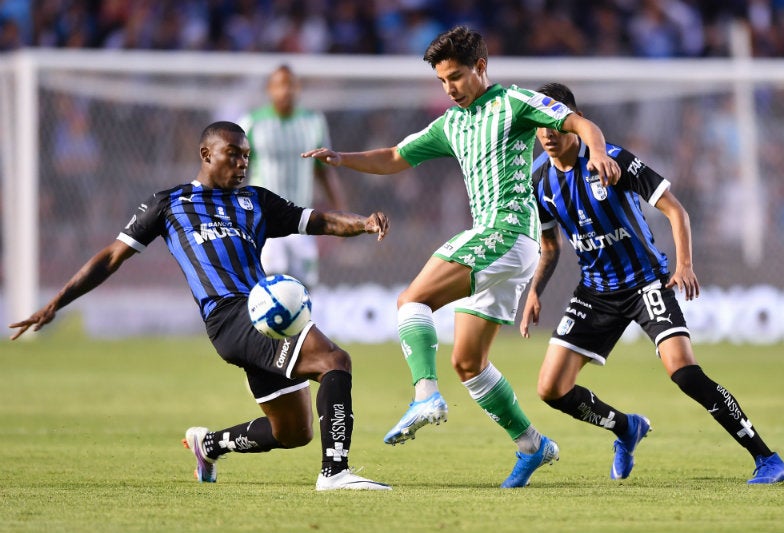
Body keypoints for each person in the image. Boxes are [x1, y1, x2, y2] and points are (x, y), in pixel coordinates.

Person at [303, 26, 621, 488]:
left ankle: (425, 396)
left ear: (481, 67)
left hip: (505, 232)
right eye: (442, 81)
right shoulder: (451, 124)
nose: (449, 88)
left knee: (411, 302)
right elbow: (395, 156)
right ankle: (532, 445)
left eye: (455, 76)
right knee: (469, 362)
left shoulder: (514, 102)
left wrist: (595, 152)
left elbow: (578, 123)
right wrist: (341, 158)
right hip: (507, 249)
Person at [9, 121, 392, 492]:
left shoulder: (255, 200)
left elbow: (319, 221)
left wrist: (363, 223)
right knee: (334, 360)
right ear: (206, 154)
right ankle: (335, 472)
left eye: (246, 156)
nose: (242, 164)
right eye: (233, 155)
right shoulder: (169, 204)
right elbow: (112, 257)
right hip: (230, 317)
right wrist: (57, 303)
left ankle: (208, 446)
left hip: (263, 315)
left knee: (293, 432)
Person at [523, 82, 784, 484]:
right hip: (595, 292)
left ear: (573, 125)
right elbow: (550, 246)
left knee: (683, 371)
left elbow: (675, 210)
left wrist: (683, 264)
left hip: (645, 282)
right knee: (551, 389)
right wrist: (534, 292)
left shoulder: (611, 159)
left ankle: (767, 458)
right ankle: (625, 428)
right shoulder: (541, 182)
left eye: (554, 124)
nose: (546, 134)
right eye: (539, 125)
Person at [239, 64, 346, 290]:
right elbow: (234, 172)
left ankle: (301, 325)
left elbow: (323, 171)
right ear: (269, 89)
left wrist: (340, 211)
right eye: (279, 85)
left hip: (301, 219)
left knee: (304, 288)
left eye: (291, 85)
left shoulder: (314, 122)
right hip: (264, 220)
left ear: (298, 89)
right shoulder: (251, 123)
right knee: (269, 286)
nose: (285, 91)